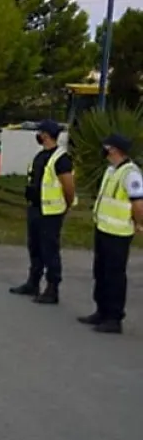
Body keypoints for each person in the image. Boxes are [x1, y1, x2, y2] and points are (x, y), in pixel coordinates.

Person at [77, 134, 143, 334]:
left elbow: (138, 203)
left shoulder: (130, 174)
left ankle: (114, 318)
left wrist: (139, 223)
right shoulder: (111, 170)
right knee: (101, 272)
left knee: (114, 275)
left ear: (114, 149)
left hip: (119, 232)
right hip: (104, 229)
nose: (103, 149)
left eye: (106, 146)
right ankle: (101, 311)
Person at [9, 119, 76, 304]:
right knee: (35, 247)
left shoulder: (61, 159)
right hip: (36, 208)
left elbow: (68, 186)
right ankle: (33, 283)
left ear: (46, 134)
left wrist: (67, 205)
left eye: (40, 132)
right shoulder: (41, 156)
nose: (37, 135)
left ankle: (52, 288)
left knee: (49, 250)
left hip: (51, 212)